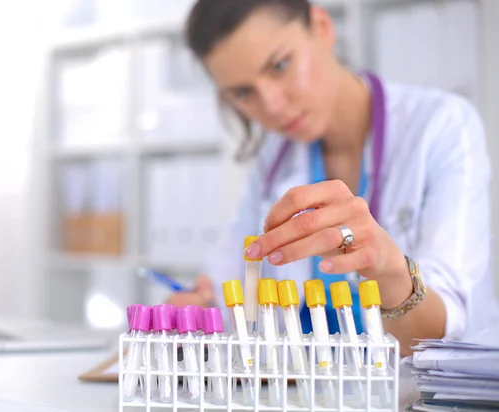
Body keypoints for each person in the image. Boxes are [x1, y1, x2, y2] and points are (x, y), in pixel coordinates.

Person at [166, 0, 499, 354]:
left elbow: (440, 328)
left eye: (280, 65)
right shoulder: (273, 159)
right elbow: (232, 278)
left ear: (322, 27)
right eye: (244, 93)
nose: (273, 106)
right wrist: (203, 299)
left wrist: (388, 270)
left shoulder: (441, 126)